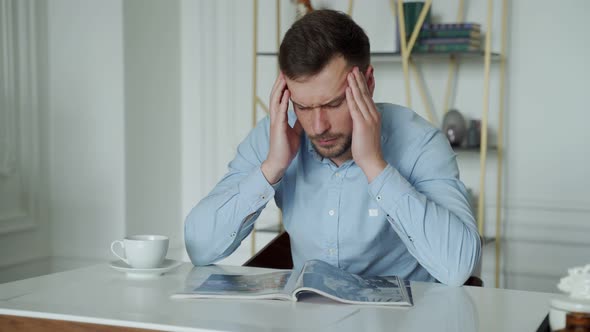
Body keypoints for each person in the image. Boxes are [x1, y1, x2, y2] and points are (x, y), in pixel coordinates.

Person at [185, 9, 481, 286]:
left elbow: (458, 267)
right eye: (302, 106)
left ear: (368, 83)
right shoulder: (278, 133)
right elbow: (199, 247)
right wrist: (272, 167)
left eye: (333, 104)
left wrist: (375, 167)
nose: (317, 126)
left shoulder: (420, 141)